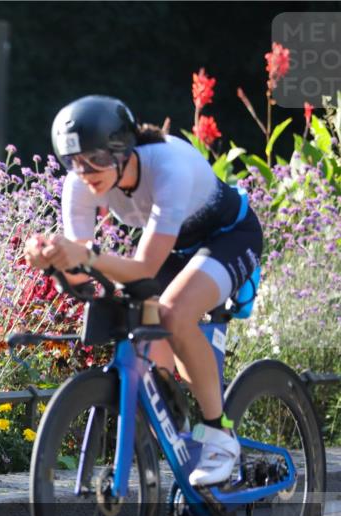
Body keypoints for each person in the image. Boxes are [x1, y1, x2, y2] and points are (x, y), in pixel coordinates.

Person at [24, 95, 263, 486]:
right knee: (142, 330)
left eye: (96, 158)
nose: (85, 172)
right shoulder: (80, 185)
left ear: (123, 150)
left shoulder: (168, 166)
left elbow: (143, 268)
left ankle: (220, 434)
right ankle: (182, 432)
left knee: (172, 313)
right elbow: (83, 273)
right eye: (74, 161)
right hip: (175, 247)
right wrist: (52, 258)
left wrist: (83, 254)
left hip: (228, 237)